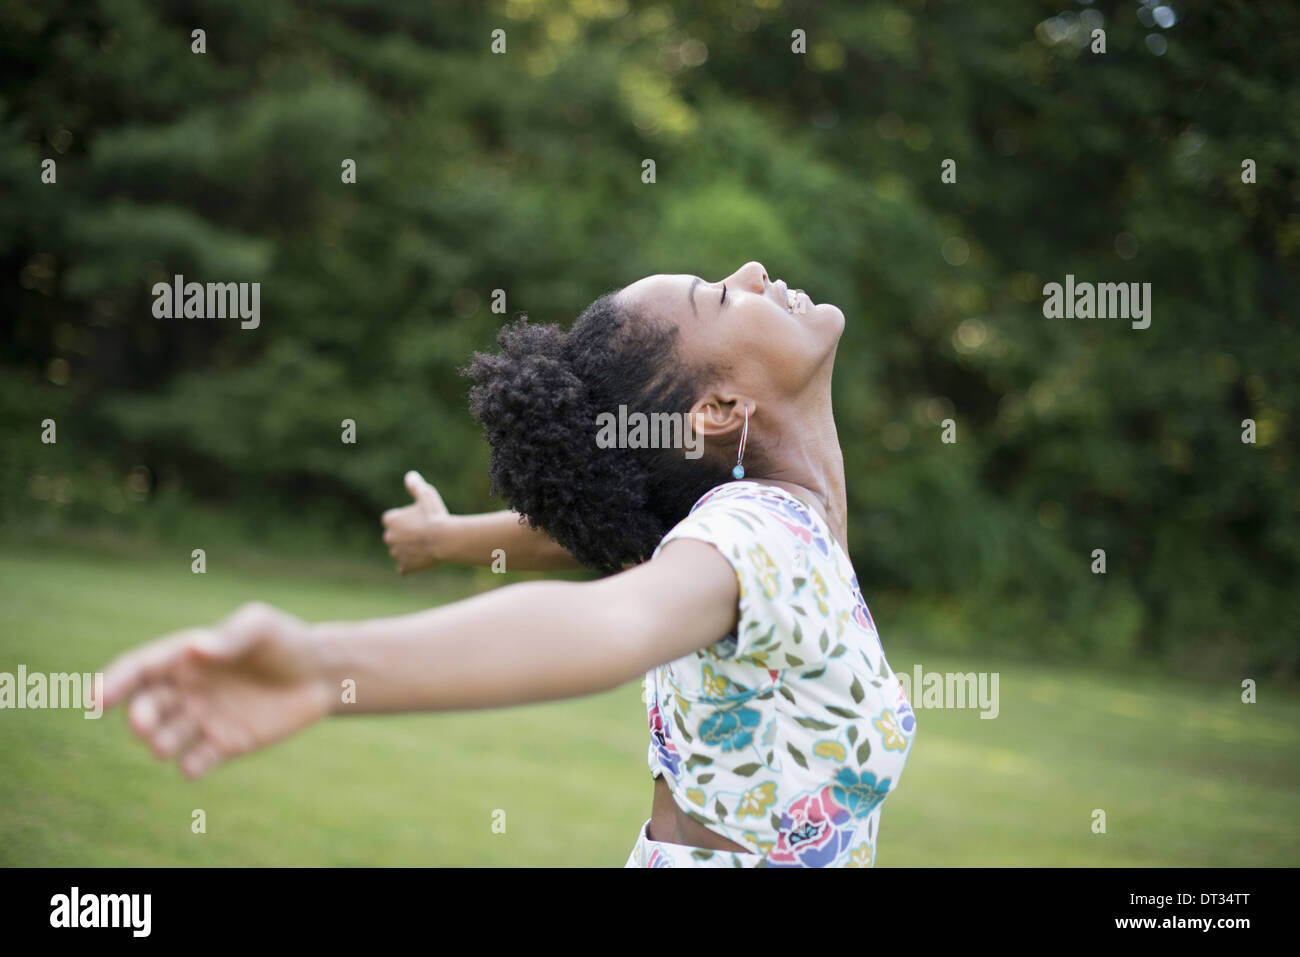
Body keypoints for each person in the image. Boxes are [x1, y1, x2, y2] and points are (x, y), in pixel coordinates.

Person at [102, 261, 917, 867]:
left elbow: (612, 525)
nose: (751, 271)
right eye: (722, 295)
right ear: (717, 410)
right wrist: (324, 666)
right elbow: (612, 621)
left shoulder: (742, 527)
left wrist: (450, 538)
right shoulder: (762, 535)